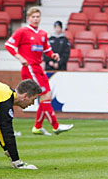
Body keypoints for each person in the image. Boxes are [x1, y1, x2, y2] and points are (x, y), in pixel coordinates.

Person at [5, 7, 74, 136]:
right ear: (28, 18)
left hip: (38, 68)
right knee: (43, 96)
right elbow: (9, 45)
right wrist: (20, 57)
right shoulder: (22, 31)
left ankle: (37, 127)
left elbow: (46, 49)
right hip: (29, 68)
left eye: (38, 17)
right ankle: (56, 126)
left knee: (44, 96)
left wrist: (53, 55)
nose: (36, 19)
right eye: (33, 17)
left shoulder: (42, 34)